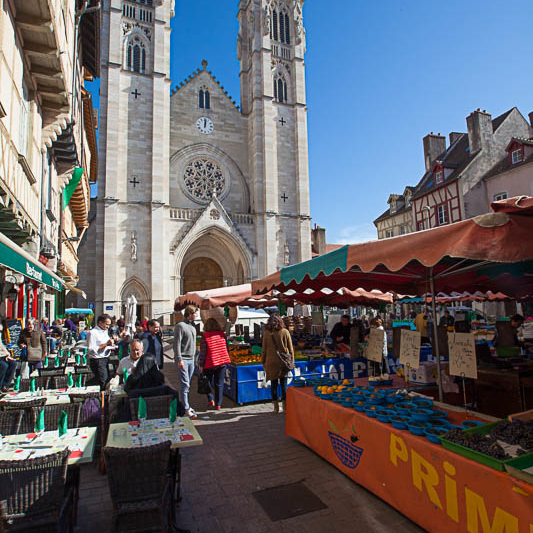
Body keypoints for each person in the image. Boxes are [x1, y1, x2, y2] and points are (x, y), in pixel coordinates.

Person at [124, 340, 183, 405]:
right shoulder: (160, 378)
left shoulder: (132, 379)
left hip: (138, 411)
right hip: (159, 409)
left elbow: (126, 390)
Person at [261, 314, 294, 413]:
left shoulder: (267, 333)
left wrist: (263, 361)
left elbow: (264, 349)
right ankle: (285, 407)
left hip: (271, 362)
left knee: (274, 384)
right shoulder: (285, 332)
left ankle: (276, 408)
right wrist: (292, 361)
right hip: (283, 362)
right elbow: (291, 348)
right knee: (283, 384)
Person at [198, 318, 231, 410]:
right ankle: (218, 404)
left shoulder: (205, 336)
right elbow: (226, 348)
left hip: (210, 363)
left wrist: (201, 365)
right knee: (219, 384)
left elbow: (203, 353)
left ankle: (210, 398)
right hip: (222, 363)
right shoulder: (222, 335)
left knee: (206, 382)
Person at [173, 306, 198, 419]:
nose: (197, 315)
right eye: (195, 313)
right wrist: (179, 359)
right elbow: (176, 344)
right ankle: (186, 408)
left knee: (188, 384)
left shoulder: (192, 326)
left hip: (191, 358)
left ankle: (185, 405)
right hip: (183, 358)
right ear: (190, 314)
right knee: (185, 384)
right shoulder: (180, 326)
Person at [87, 314, 115, 389]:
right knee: (103, 381)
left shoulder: (105, 331)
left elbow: (105, 344)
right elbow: (91, 349)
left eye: (109, 325)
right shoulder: (93, 333)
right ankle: (102, 398)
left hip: (106, 358)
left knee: (107, 379)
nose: (108, 327)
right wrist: (106, 344)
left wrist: (111, 345)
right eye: (106, 324)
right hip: (97, 360)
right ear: (100, 323)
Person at [0, 324, 17, 392]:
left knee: (13, 364)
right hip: (1, 356)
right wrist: (6, 354)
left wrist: (7, 354)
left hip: (2, 355)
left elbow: (1, 346)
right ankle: (0, 385)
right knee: (4, 366)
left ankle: (6, 384)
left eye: (1, 331)